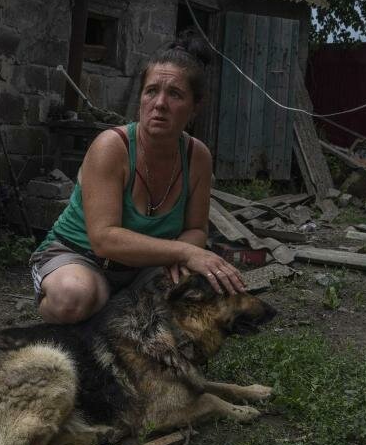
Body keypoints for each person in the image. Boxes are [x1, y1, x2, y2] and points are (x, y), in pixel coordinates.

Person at [30, 35, 246, 324]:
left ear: (195, 107)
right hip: (83, 257)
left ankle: (118, 313)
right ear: (141, 98)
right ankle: (65, 317)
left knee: (200, 296)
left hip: (146, 267)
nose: (160, 104)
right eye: (151, 91)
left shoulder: (197, 157)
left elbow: (196, 228)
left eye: (175, 94)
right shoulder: (112, 147)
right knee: (72, 297)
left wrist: (183, 256)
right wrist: (183, 252)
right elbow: (104, 239)